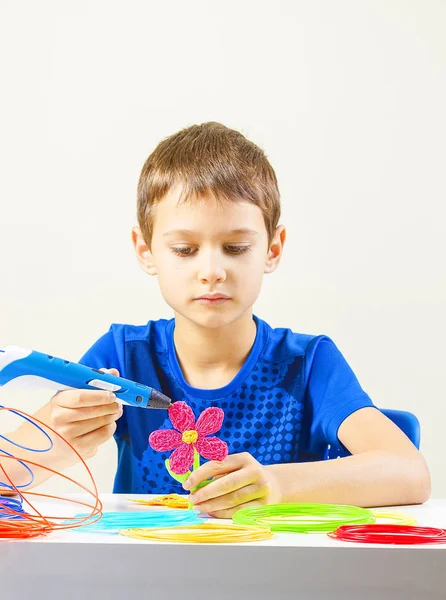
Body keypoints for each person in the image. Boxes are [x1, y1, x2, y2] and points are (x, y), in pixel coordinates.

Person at [1, 122, 430, 517]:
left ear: (273, 248)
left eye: (236, 248)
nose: (211, 271)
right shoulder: (124, 355)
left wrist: (275, 484)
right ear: (145, 249)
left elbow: (409, 473)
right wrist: (57, 438)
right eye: (185, 249)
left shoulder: (309, 363)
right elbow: (7, 479)